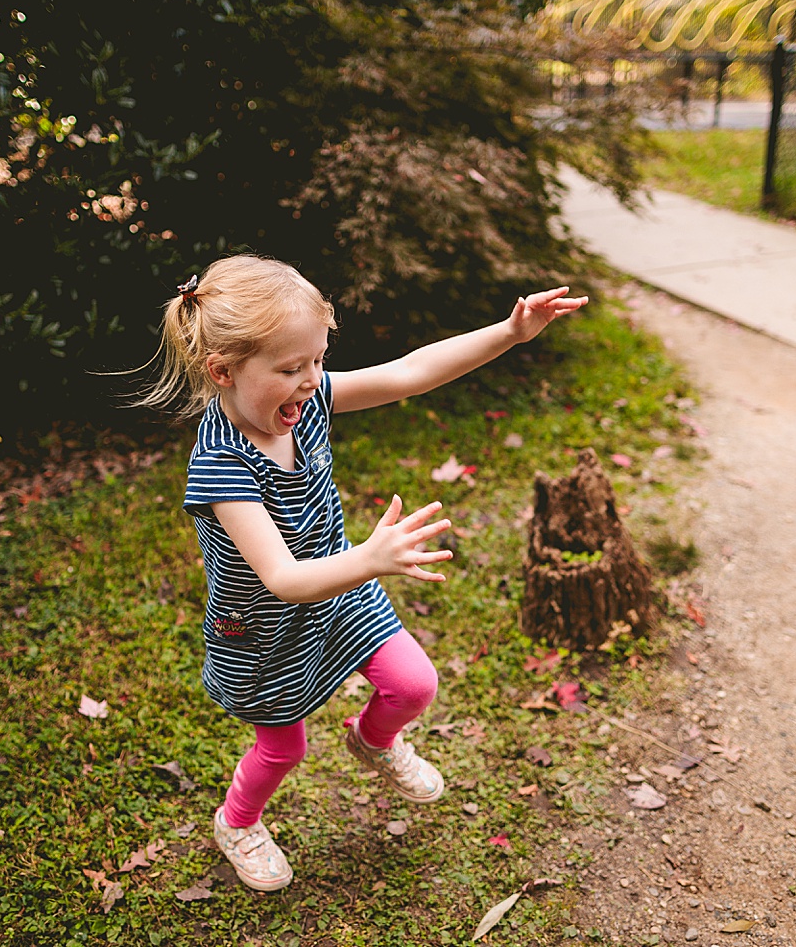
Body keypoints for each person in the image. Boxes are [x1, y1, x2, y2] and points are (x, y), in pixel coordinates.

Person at [134, 254, 586, 891]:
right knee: (284, 749)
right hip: (268, 629)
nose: (311, 380)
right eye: (291, 368)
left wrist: (509, 332)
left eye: (317, 360)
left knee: (412, 685)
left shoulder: (305, 401)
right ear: (224, 371)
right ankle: (237, 823)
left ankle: (373, 741)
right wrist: (371, 559)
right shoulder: (221, 467)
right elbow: (282, 579)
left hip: (341, 592)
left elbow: (410, 373)